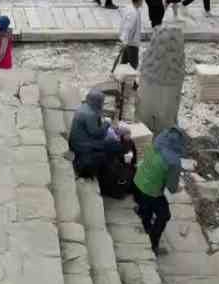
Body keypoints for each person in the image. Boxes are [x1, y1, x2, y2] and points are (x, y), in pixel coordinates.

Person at [133, 127, 187, 255]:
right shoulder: (173, 161)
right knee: (164, 215)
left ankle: (142, 212)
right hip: (151, 191)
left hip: (138, 180)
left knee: (147, 205)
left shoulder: (157, 142)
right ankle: (153, 243)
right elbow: (172, 189)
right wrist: (178, 188)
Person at [68, 89, 126, 180]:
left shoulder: (83, 107)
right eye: (101, 102)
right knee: (114, 145)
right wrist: (107, 123)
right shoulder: (90, 114)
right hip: (83, 145)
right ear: (97, 102)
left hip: (78, 140)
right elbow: (96, 133)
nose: (102, 104)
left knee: (110, 143)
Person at [114, 0, 144, 71]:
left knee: (124, 60)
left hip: (128, 41)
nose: (142, 2)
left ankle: (121, 78)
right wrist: (125, 41)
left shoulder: (130, 8)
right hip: (131, 42)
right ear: (138, 1)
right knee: (134, 63)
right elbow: (128, 27)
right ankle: (133, 81)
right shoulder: (133, 13)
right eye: (141, 0)